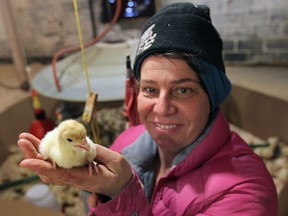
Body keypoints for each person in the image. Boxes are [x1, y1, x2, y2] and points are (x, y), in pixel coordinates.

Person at [18, 2, 278, 215]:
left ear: (212, 94)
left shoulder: (244, 193)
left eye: (183, 90)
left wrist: (123, 195)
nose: (162, 108)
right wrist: (102, 191)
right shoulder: (126, 143)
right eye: (150, 90)